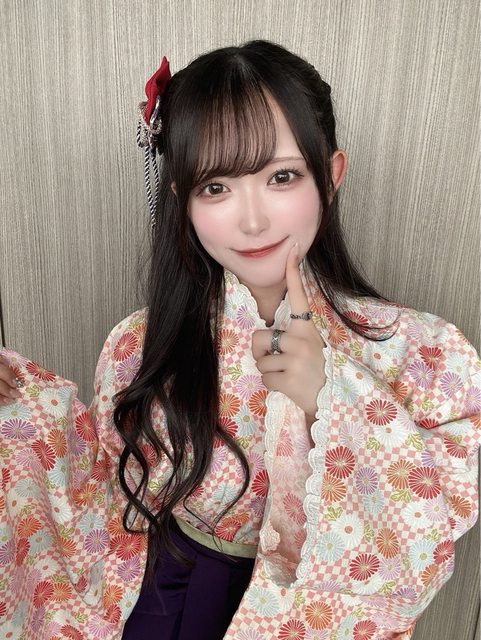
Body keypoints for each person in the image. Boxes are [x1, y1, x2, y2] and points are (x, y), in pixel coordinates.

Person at [0, 40, 479, 640]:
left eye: (282, 177)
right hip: (163, 596)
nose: (252, 220)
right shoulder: (141, 340)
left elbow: (434, 518)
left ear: (330, 175)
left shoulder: (421, 352)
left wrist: (332, 398)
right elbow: (97, 495)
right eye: (216, 188)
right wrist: (16, 409)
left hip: (305, 613)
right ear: (182, 199)